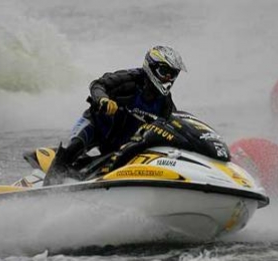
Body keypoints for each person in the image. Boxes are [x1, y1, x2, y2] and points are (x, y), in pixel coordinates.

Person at [45, 45, 187, 185]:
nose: (168, 78)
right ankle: (49, 185)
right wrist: (103, 99)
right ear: (151, 67)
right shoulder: (130, 79)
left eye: (172, 74)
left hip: (121, 144)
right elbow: (97, 85)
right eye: (164, 71)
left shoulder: (165, 103)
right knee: (74, 147)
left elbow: (172, 124)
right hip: (96, 127)